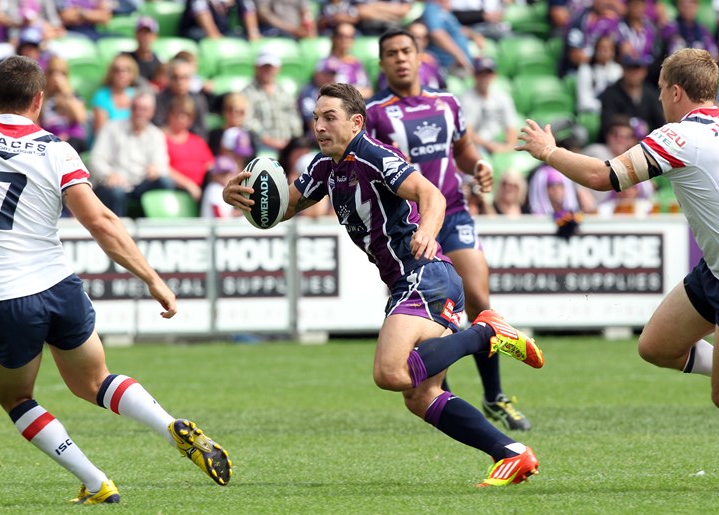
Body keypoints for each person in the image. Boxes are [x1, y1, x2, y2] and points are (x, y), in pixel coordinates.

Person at [517, 47, 719, 491]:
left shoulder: (677, 137)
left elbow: (604, 177)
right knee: (656, 347)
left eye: (660, 90)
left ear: (676, 91)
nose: (658, 99)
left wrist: (549, 151)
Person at [223, 82, 543, 486]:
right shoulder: (325, 168)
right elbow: (283, 208)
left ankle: (485, 332)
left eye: (329, 117)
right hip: (411, 283)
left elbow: (431, 194)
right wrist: (243, 198)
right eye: (316, 118)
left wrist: (428, 230)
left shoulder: (374, 156)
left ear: (356, 122)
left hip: (424, 275)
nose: (319, 126)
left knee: (390, 372)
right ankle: (511, 452)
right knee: (420, 396)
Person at [0, 56, 232, 505]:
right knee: (95, 381)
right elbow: (102, 221)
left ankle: (95, 481)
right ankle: (168, 425)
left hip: (10, 296)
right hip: (60, 287)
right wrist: (153, 279)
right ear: (39, 100)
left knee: (14, 397)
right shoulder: (56, 149)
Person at [367, 28, 533, 431]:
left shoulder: (447, 103)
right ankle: (442, 391)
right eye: (391, 53)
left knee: (478, 298)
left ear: (421, 55)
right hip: (409, 224)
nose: (400, 58)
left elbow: (462, 150)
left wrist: (478, 167)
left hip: (453, 212)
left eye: (407, 50)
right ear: (382, 63)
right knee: (427, 312)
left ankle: (494, 395)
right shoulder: (374, 114)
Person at [90, 91, 174, 217]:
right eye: (136, 108)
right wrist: (109, 174)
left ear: (152, 112)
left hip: (141, 184)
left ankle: (159, 231)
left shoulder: (156, 135)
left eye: (144, 109)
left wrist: (156, 169)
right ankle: (117, 233)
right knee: (116, 192)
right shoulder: (111, 128)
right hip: (114, 184)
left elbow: (163, 165)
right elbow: (95, 160)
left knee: (165, 182)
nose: (139, 112)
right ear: (130, 108)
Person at [242, 46, 303, 158]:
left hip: (287, 144)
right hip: (260, 145)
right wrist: (267, 140)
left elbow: (294, 117)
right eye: (264, 66)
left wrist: (292, 138)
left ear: (278, 69)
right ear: (256, 68)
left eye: (271, 67)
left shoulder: (284, 92)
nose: (268, 70)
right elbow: (247, 121)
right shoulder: (247, 92)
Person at [458, 56, 519, 155]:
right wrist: (489, 145)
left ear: (494, 75)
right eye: (481, 73)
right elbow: (467, 132)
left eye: (488, 73)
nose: (485, 78)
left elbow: (511, 128)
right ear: (475, 75)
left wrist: (508, 147)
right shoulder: (466, 98)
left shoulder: (503, 97)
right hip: (477, 146)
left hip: (499, 142)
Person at [90, 53, 139, 135]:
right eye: (117, 70)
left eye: (126, 70)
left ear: (132, 74)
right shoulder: (102, 96)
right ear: (111, 74)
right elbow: (101, 131)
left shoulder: (136, 95)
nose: (122, 74)